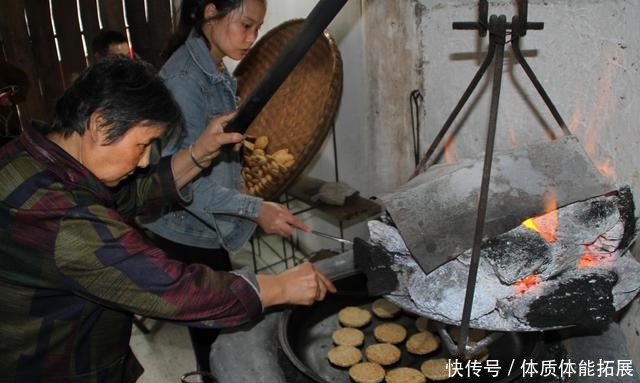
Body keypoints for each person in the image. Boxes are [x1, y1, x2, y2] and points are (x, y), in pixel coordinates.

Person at [0, 57, 336, 382]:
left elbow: (130, 194)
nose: (146, 160)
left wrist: (199, 152)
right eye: (142, 144)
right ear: (100, 123)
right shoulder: (57, 215)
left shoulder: (36, 159)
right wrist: (279, 287)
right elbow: (173, 288)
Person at [139, 0, 308, 373]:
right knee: (216, 336)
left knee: (218, 326)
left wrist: (241, 184)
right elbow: (182, 182)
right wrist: (255, 208)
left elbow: (209, 156)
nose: (252, 38)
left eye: (258, 28)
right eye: (246, 25)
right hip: (187, 230)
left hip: (205, 225)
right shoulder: (184, 80)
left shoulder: (213, 66)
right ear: (210, 11)